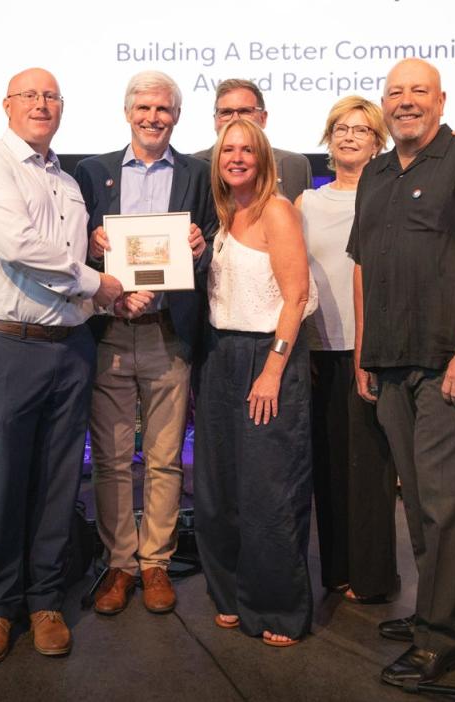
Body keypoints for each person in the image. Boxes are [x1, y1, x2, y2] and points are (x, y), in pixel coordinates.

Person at [348, 58, 455, 686]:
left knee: (447, 506)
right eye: (395, 93)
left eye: (418, 91)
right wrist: (365, 352)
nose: (405, 101)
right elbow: (363, 266)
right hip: (390, 364)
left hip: (450, 362)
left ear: (440, 100)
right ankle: (448, 611)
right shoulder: (374, 175)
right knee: (423, 503)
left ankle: (438, 638)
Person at [0, 67, 132, 664]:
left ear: (63, 108)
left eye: (51, 96)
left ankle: (46, 600)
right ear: (5, 105)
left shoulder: (69, 179)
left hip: (70, 347)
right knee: (4, 481)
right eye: (28, 94)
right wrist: (98, 281)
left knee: (61, 481)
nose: (40, 103)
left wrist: (110, 273)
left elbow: (69, 258)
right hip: (9, 346)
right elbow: (18, 245)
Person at [73, 70, 214, 616]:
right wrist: (88, 242)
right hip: (109, 331)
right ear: (127, 112)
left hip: (167, 333)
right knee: (109, 459)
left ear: (176, 117)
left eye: (164, 110)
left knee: (164, 458)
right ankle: (119, 564)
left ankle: (155, 562)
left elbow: (212, 242)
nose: (153, 118)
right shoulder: (93, 171)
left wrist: (201, 247)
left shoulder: (198, 173)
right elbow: (72, 248)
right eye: (144, 108)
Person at [194, 117, 317, 647]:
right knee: (219, 490)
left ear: (264, 158)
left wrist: (273, 367)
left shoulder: (277, 212)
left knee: (270, 490)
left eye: (247, 150)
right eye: (228, 150)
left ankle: (278, 608)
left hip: (267, 359)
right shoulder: (227, 215)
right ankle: (230, 595)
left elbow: (297, 298)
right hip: (220, 357)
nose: (237, 157)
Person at [295, 96, 398, 604]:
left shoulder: (390, 198)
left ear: (379, 141)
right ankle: (336, 570)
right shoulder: (307, 202)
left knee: (373, 470)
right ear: (328, 138)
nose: (349, 136)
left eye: (362, 129)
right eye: (341, 128)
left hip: (373, 349)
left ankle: (374, 576)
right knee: (329, 468)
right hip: (318, 349)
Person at [193, 79, 311, 202]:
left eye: (245, 111)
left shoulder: (294, 166)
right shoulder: (195, 167)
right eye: (226, 112)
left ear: (263, 118)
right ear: (216, 120)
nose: (235, 119)